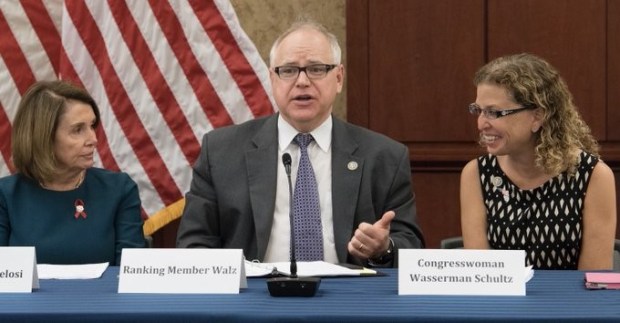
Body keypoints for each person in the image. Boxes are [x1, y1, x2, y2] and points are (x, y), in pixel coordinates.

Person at [177, 19, 424, 267]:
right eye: (288, 70)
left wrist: (383, 249)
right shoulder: (221, 152)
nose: (302, 81)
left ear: (338, 78)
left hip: (348, 299)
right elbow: (194, 244)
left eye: (316, 69)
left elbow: (410, 246)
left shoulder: (385, 157)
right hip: (253, 298)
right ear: (272, 79)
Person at [460, 53, 616, 270]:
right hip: (501, 304)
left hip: (569, 303)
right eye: (479, 111)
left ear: (537, 116)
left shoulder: (593, 176)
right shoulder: (477, 174)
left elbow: (591, 281)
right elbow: (482, 276)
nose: (481, 124)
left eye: (494, 113)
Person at [0, 80, 145, 265]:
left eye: (92, 126)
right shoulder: (6, 196)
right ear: (43, 137)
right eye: (78, 130)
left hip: (100, 295)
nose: (93, 139)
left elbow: (130, 275)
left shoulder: (119, 190)